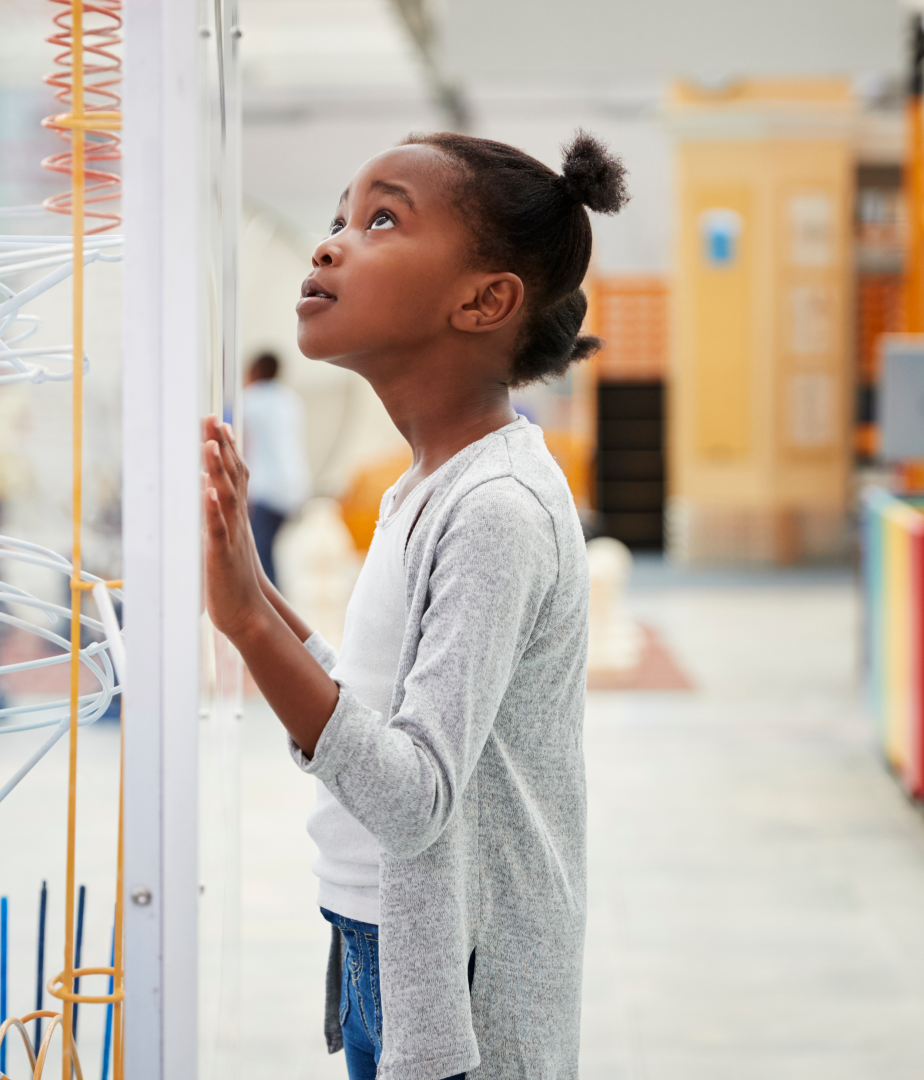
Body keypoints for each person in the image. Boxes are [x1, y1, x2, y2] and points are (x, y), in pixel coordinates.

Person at [201, 131, 627, 1080]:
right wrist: (248, 583)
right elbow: (375, 703)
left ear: (484, 300)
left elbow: (415, 798)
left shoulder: (496, 512)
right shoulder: (428, 485)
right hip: (385, 950)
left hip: (462, 1001)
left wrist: (246, 623)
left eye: (382, 219)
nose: (331, 244)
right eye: (338, 218)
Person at [240, 350, 311, 585]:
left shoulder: (250, 400)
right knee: (270, 552)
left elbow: (243, 445)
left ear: (255, 371)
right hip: (295, 485)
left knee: (260, 556)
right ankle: (277, 603)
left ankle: (272, 609)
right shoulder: (289, 399)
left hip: (265, 489)